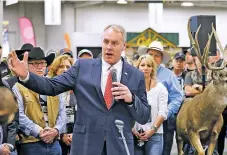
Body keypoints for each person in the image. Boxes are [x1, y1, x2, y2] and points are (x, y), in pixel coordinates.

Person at [9, 24, 150, 155]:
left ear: (124, 46)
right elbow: (51, 86)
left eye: (114, 43)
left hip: (120, 146)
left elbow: (144, 116)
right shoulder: (82, 67)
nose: (108, 47)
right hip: (86, 145)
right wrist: (26, 76)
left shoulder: (135, 75)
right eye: (106, 42)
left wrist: (131, 99)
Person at [13, 47, 64, 155]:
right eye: (35, 63)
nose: (40, 66)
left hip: (54, 143)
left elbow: (62, 112)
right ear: (27, 65)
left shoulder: (54, 84)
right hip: (30, 143)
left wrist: (56, 130)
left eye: (43, 63)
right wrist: (39, 131)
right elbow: (19, 115)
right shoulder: (18, 87)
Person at [138, 41, 183, 155]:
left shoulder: (169, 75)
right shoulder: (138, 74)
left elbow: (177, 97)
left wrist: (164, 115)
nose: (153, 58)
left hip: (165, 122)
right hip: (140, 123)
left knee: (163, 151)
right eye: (151, 54)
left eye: (156, 55)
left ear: (161, 58)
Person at [133, 54, 168, 155]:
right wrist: (132, 129)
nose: (145, 68)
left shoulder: (160, 88)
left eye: (149, 65)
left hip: (155, 135)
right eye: (142, 65)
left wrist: (152, 130)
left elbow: (162, 112)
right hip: (135, 135)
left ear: (153, 68)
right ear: (138, 67)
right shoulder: (132, 87)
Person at [47, 55, 75, 155]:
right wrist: (62, 135)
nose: (65, 70)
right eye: (61, 66)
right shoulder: (49, 89)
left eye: (68, 67)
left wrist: (74, 134)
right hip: (55, 139)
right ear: (55, 69)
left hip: (75, 138)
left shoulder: (77, 90)